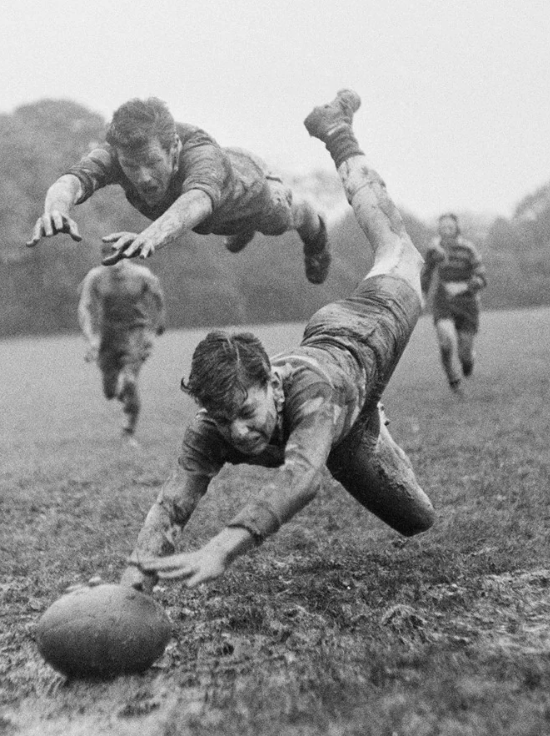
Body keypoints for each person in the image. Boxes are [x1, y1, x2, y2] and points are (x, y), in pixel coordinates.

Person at [119, 89, 435, 594]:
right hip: (339, 404)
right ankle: (368, 418)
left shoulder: (308, 391)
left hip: (364, 329)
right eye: (224, 420)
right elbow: (173, 501)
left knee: (398, 249)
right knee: (418, 518)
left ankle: (337, 131)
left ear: (271, 383)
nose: (239, 433)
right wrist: (134, 578)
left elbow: (301, 478)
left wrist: (223, 547)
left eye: (246, 412)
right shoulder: (214, 425)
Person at [26, 97, 331, 285]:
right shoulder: (118, 154)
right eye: (131, 166)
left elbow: (196, 201)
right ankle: (240, 232)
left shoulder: (201, 153)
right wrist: (56, 209)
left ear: (174, 149)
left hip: (252, 186)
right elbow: (73, 180)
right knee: (223, 232)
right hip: (216, 214)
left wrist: (152, 235)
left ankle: (316, 233)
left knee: (280, 221)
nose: (142, 177)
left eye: (151, 162)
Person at [78, 256, 166, 440]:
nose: (116, 261)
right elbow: (84, 306)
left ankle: (129, 430)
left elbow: (158, 297)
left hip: (135, 332)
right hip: (108, 335)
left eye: (120, 254)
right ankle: (125, 398)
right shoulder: (96, 276)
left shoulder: (141, 274)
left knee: (129, 380)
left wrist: (157, 326)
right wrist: (91, 337)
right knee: (110, 391)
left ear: (127, 255)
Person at [420, 213, 487, 394]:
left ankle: (468, 361)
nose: (446, 231)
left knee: (464, 352)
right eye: (442, 228)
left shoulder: (468, 249)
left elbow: (481, 275)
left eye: (450, 227)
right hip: (444, 302)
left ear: (457, 228)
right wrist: (422, 294)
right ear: (438, 230)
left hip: (467, 303)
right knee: (446, 340)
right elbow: (425, 273)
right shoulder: (434, 249)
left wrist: (473, 284)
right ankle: (452, 377)